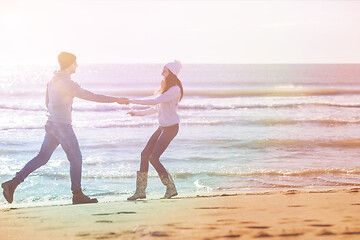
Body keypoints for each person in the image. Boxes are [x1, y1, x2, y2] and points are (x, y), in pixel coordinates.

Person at [1, 52, 129, 204]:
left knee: (42, 158)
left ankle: (13, 183)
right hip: (62, 126)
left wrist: (58, 111)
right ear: (69, 64)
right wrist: (115, 99)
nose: (77, 65)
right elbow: (91, 96)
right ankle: (77, 194)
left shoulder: (52, 80)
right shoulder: (67, 83)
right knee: (76, 158)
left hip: (51, 124)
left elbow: (47, 103)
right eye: (75, 62)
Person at [127, 60, 183, 200]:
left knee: (153, 157)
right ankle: (140, 191)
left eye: (164, 70)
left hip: (171, 128)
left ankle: (170, 187)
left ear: (171, 72)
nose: (161, 73)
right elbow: (155, 108)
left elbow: (155, 101)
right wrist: (136, 112)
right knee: (145, 154)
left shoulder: (174, 89)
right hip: (163, 127)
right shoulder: (166, 88)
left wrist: (132, 100)